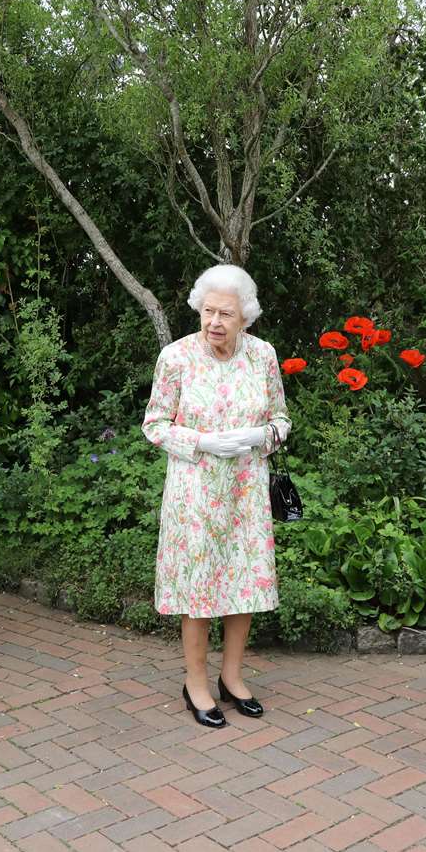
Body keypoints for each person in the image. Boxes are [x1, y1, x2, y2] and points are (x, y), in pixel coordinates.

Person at [143, 265, 290, 729]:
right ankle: (196, 682)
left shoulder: (263, 356)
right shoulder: (177, 357)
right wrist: (202, 442)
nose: (214, 323)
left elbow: (282, 420)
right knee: (199, 588)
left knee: (241, 585)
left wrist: (258, 436)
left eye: (226, 313)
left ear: (246, 316)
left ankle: (233, 677)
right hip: (196, 495)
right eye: (208, 311)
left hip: (246, 491)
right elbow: (154, 425)